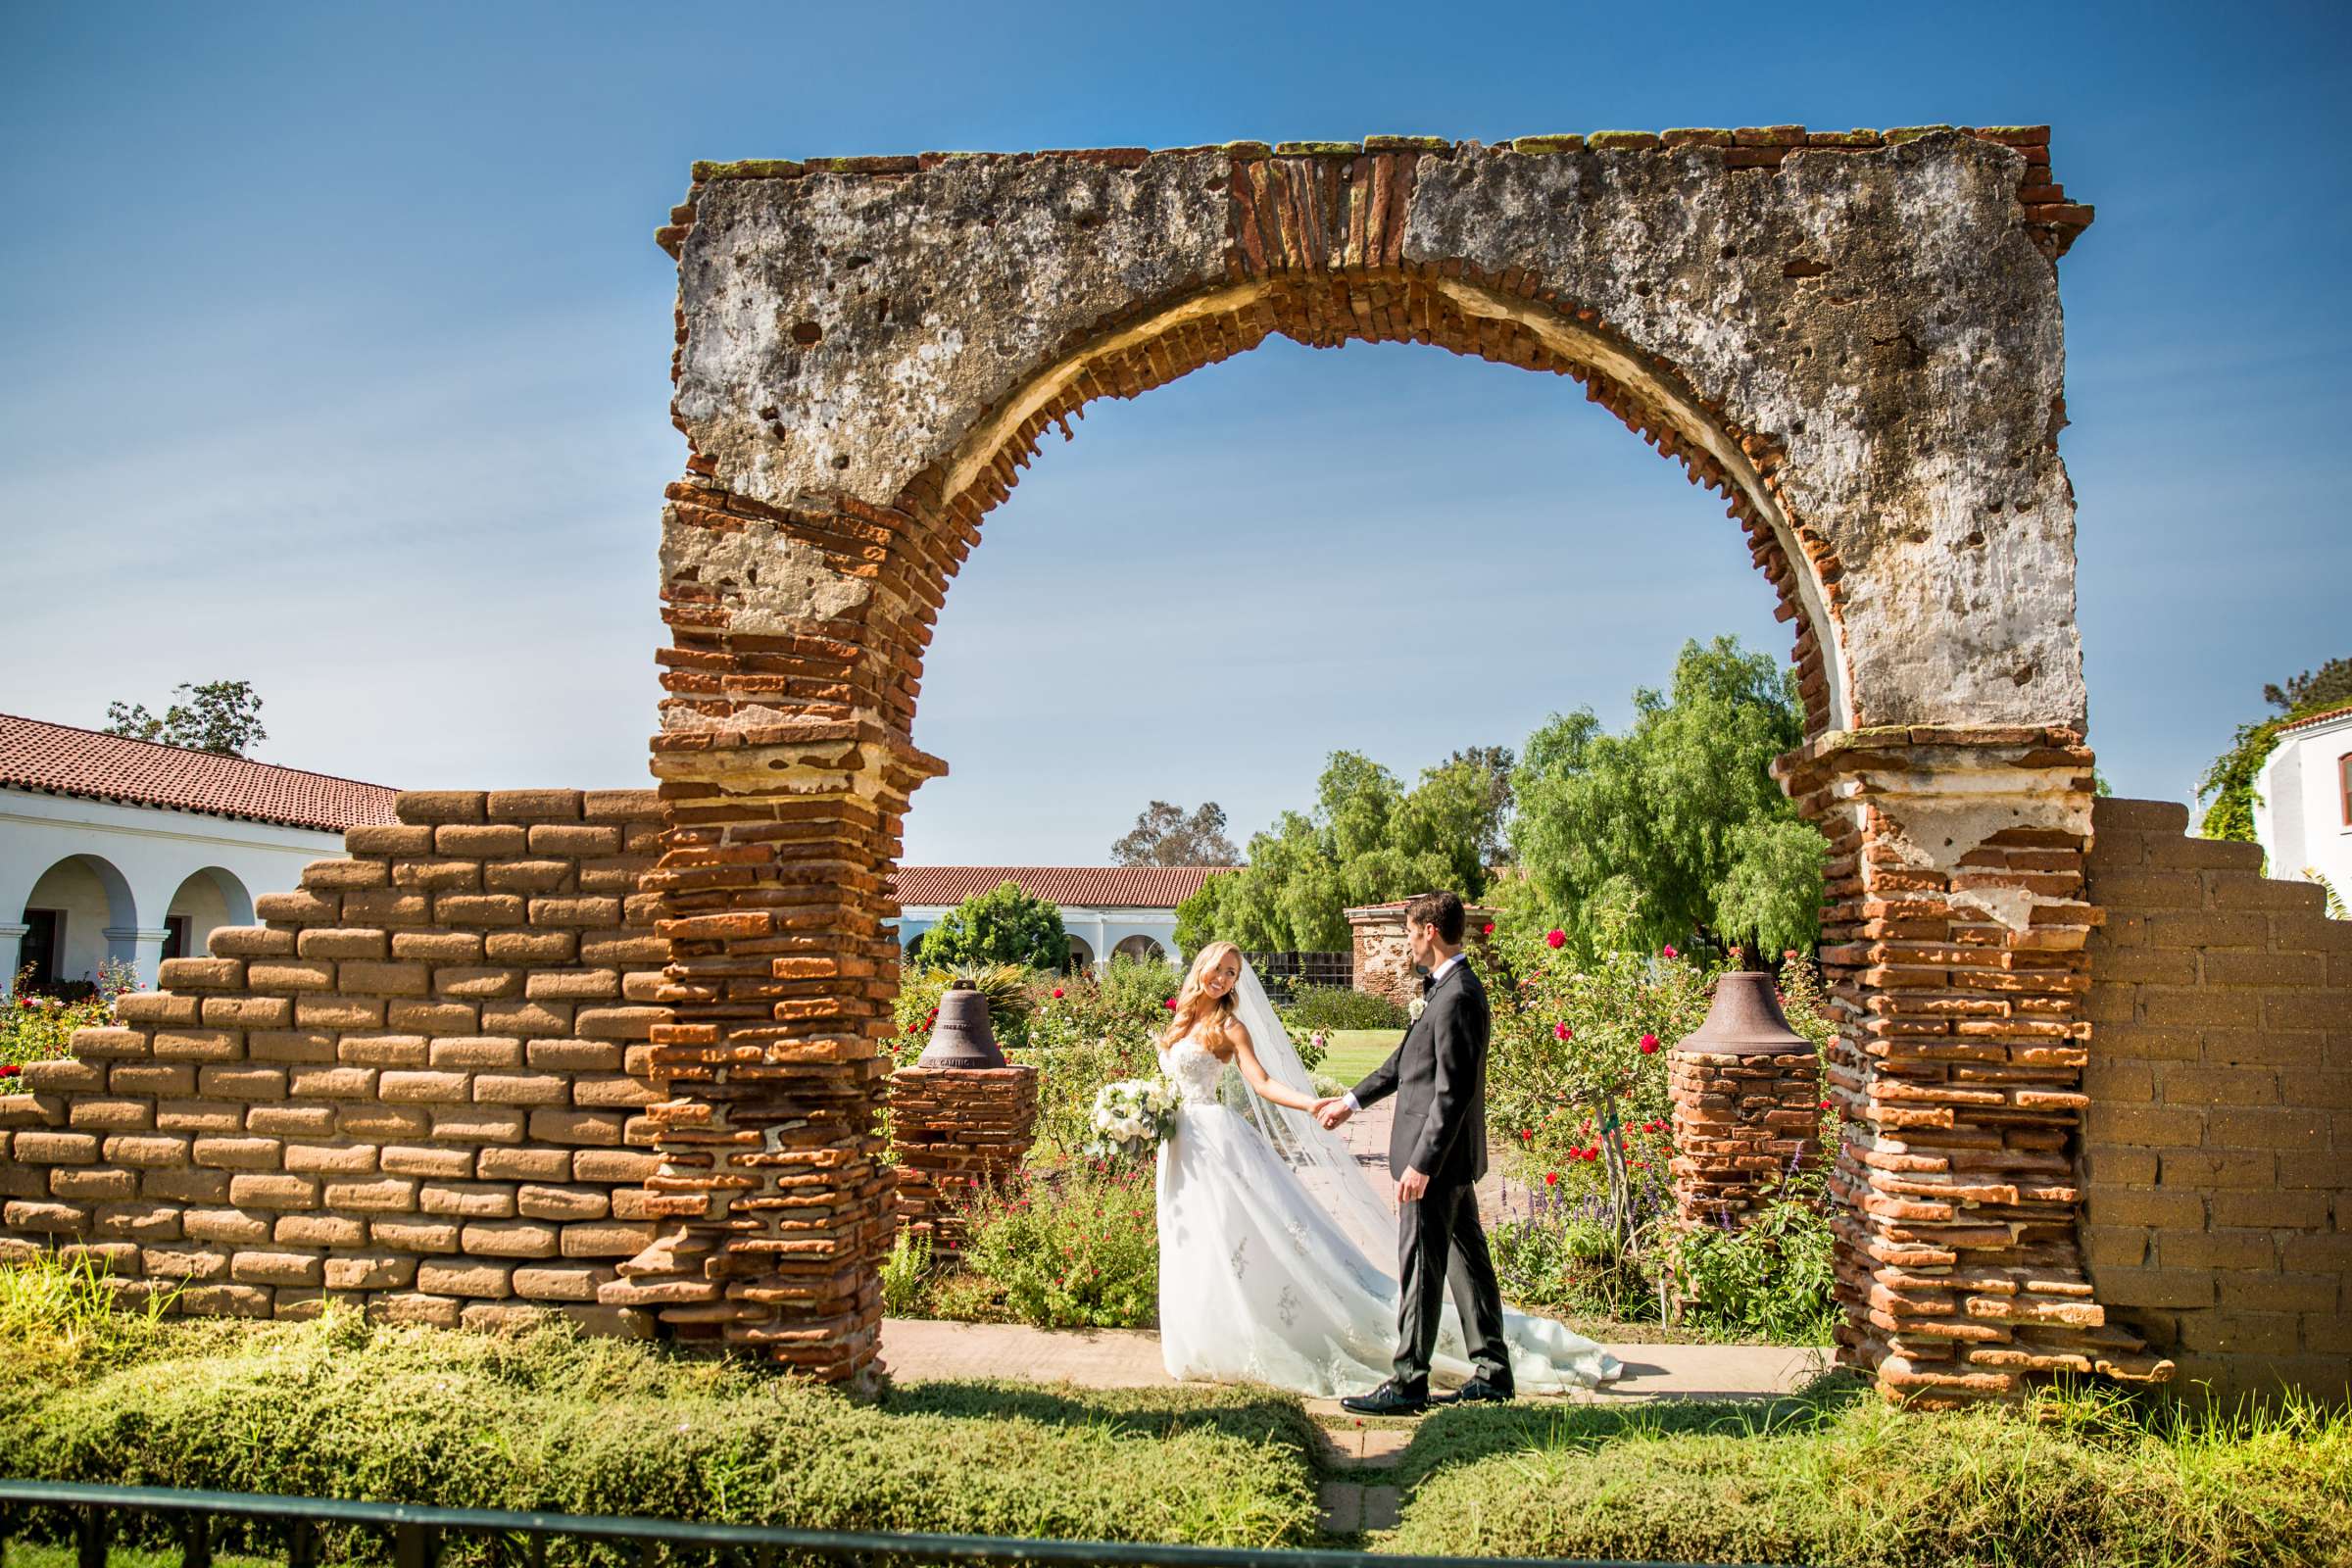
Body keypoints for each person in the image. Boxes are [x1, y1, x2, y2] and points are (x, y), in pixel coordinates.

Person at [1152, 924, 1619, 1403]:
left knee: (1238, 1237)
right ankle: (1204, 1331)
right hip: (1182, 1146)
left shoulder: (1230, 1028)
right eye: (1220, 969)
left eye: (1233, 973)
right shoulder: (1179, 1023)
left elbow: (1264, 1081)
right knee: (1193, 1236)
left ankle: (1434, 1367)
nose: (1225, 979)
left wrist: (1311, 1103)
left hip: (1219, 1142)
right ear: (1202, 966)